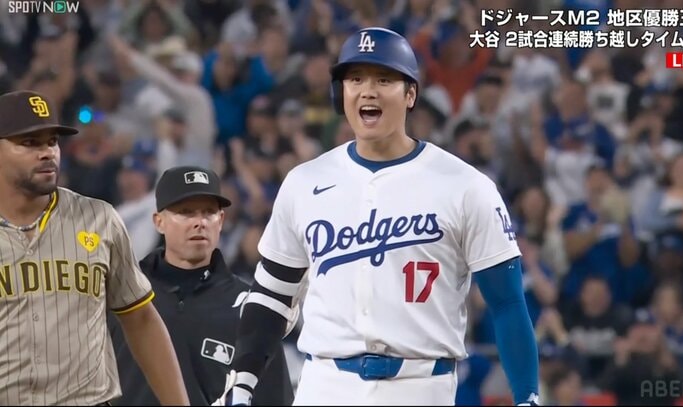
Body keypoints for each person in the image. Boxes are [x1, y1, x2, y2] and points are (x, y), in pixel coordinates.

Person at [215, 28, 539, 406]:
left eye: (384, 79)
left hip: (420, 387)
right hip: (324, 384)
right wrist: (242, 383)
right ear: (342, 94)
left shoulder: (466, 186)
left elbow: (507, 304)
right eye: (355, 79)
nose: (367, 90)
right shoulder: (304, 183)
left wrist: (527, 397)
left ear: (411, 94)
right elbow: (271, 296)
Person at [0, 90, 189, 405]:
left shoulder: (99, 219)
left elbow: (141, 320)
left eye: (52, 142)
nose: (47, 152)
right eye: (29, 143)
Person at [110, 165, 294, 406]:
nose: (200, 222)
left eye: (208, 212)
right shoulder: (122, 295)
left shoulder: (250, 308)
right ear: (159, 221)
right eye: (186, 212)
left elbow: (274, 398)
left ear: (221, 220)